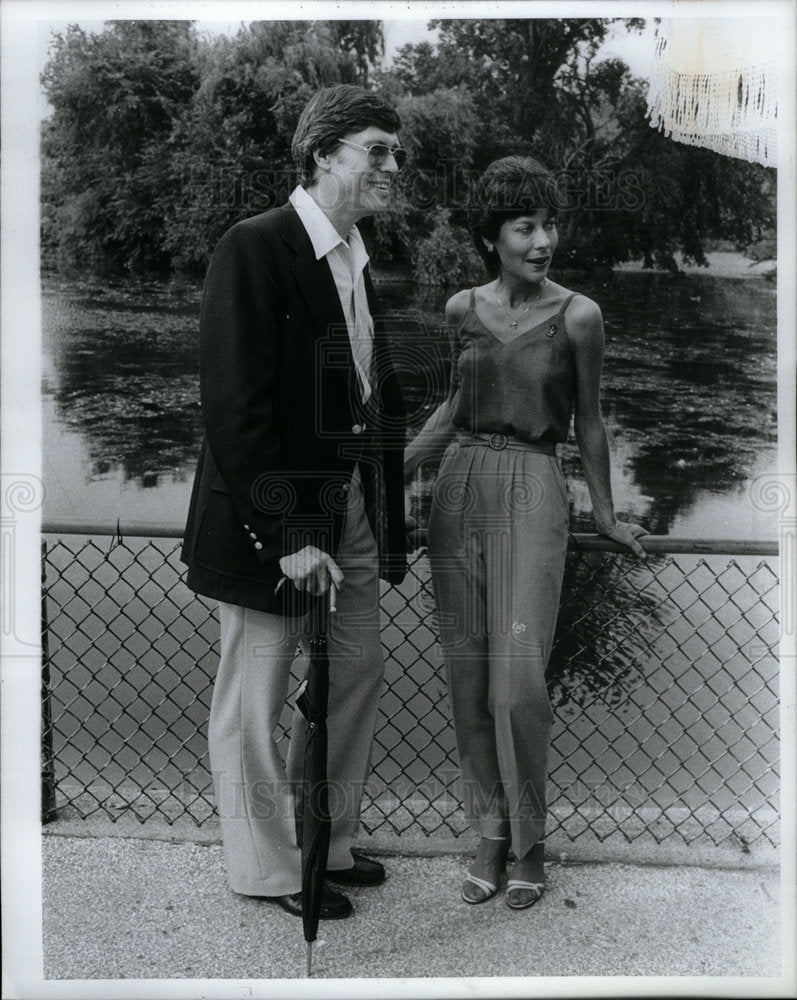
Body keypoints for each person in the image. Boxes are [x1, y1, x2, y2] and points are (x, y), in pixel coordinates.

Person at [181, 85, 408, 919]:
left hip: (344, 510)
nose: (393, 165)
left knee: (354, 672)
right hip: (270, 524)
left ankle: (328, 843)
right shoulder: (257, 246)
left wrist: (381, 517)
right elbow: (234, 405)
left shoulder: (354, 253)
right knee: (255, 698)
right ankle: (269, 868)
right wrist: (282, 534)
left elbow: (362, 397)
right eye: (377, 150)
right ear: (323, 154)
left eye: (396, 152)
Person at [404, 156, 647, 910]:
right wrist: (383, 474)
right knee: (468, 674)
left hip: (536, 489)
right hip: (460, 487)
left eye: (549, 224)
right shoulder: (459, 310)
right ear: (492, 237)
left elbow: (590, 420)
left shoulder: (579, 315)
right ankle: (488, 833)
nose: (542, 240)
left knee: (518, 682)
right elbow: (453, 408)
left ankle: (531, 843)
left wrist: (603, 515)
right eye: (524, 226)